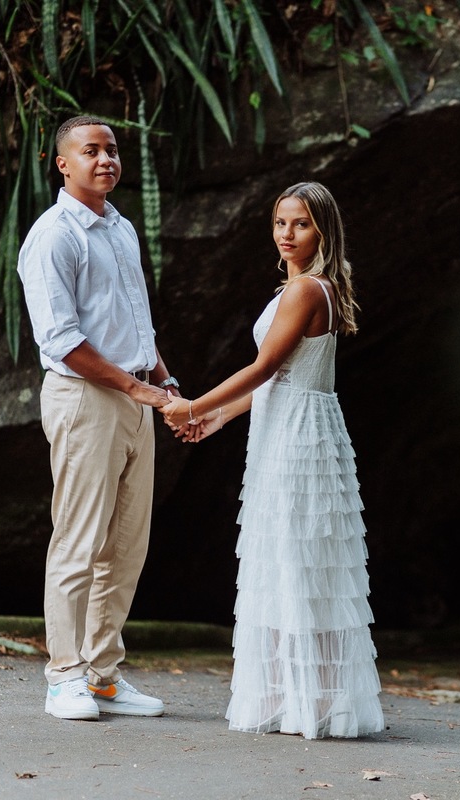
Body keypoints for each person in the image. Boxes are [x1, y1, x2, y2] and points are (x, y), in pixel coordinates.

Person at [161, 181, 384, 739]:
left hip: (297, 438)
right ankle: (299, 700)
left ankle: (312, 703)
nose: (287, 234)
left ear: (323, 230)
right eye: (281, 223)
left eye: (301, 224)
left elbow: (263, 369)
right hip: (290, 425)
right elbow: (282, 379)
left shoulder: (307, 291)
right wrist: (220, 418)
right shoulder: (307, 288)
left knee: (299, 560)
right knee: (294, 560)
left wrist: (194, 403)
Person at [18, 115, 178, 722]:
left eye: (111, 149)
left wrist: (165, 384)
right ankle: (64, 676)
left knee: (127, 547)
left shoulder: (121, 227)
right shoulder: (55, 236)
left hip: (135, 397)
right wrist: (143, 391)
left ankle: (103, 673)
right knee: (79, 540)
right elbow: (62, 340)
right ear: (63, 163)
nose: (105, 158)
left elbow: (139, 324)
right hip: (85, 400)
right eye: (91, 150)